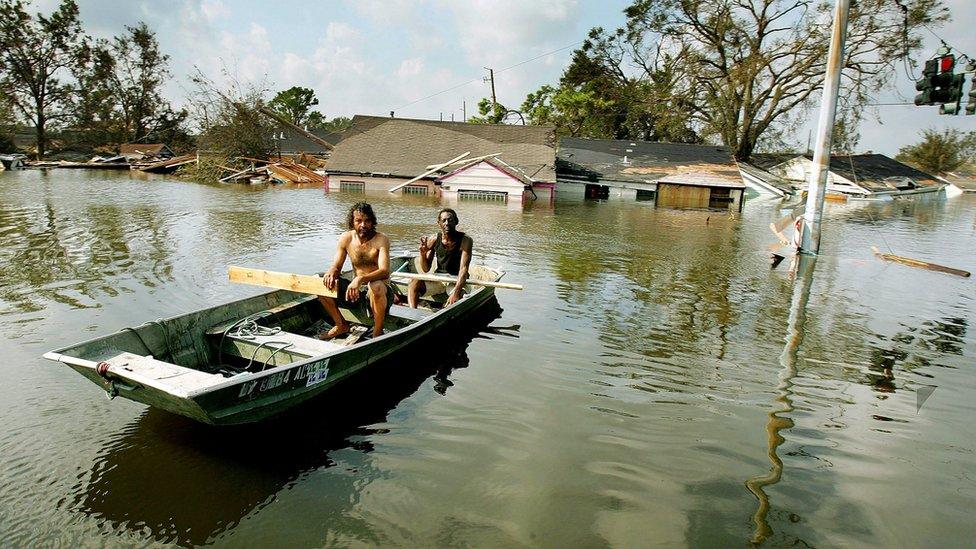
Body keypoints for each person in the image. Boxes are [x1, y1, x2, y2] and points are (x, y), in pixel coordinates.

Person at [319, 202, 391, 339]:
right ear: (352, 222)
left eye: (367, 221)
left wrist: (360, 279)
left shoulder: (381, 240)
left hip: (380, 292)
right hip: (355, 291)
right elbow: (337, 266)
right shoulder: (346, 238)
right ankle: (341, 324)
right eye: (358, 221)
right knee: (319, 281)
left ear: (372, 222)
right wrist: (331, 271)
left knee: (375, 285)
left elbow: (385, 271)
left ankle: (378, 331)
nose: (363, 225)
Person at [407, 208, 473, 308]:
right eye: (444, 221)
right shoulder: (434, 239)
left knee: (458, 298)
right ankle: (412, 313)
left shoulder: (465, 240)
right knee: (414, 282)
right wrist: (422, 253)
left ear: (456, 222)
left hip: (457, 280)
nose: (447, 223)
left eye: (450, 220)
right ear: (439, 223)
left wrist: (456, 292)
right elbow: (425, 269)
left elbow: (463, 269)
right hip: (439, 279)